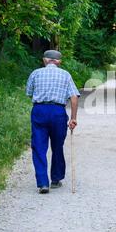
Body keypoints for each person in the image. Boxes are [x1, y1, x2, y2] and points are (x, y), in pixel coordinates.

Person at [26, 50, 80, 194]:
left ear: (45, 60)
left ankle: (43, 183)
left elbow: (29, 93)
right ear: (58, 61)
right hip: (58, 112)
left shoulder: (35, 73)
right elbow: (74, 97)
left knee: (39, 147)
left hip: (39, 111)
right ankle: (56, 179)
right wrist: (74, 118)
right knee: (57, 146)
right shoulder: (65, 74)